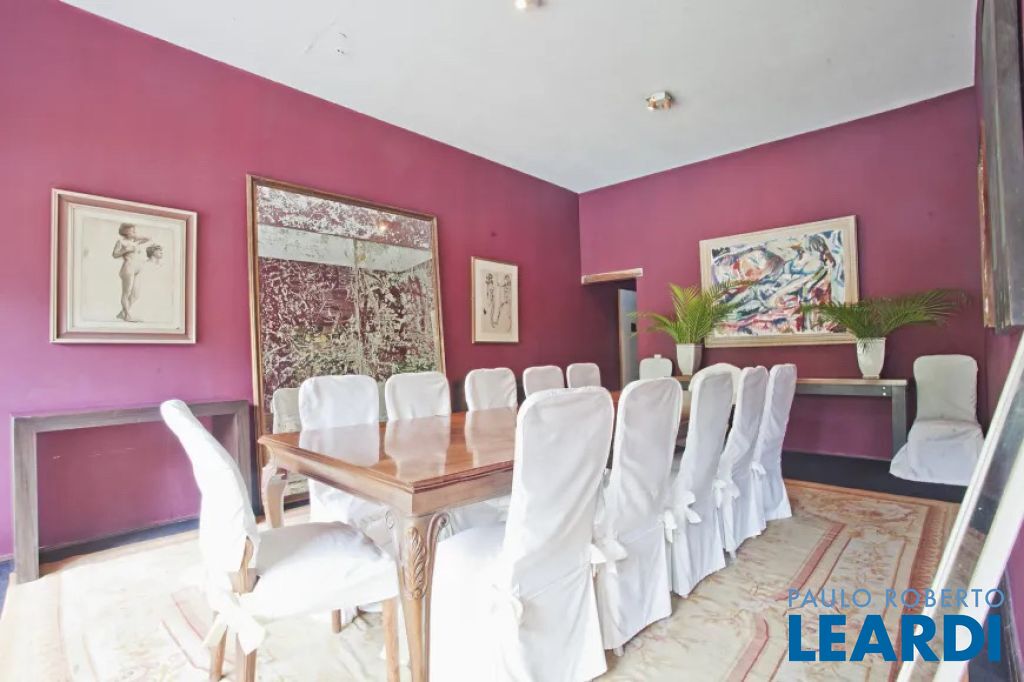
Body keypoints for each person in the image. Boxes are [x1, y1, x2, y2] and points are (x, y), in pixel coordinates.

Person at [111, 223, 152, 322]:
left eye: (134, 230)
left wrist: (136, 236)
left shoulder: (135, 241)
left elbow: (148, 238)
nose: (135, 232)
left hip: (138, 269)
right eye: (132, 230)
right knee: (126, 293)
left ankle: (122, 313)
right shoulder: (121, 242)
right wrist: (124, 250)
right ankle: (127, 316)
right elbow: (114, 255)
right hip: (128, 268)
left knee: (136, 294)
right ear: (126, 232)